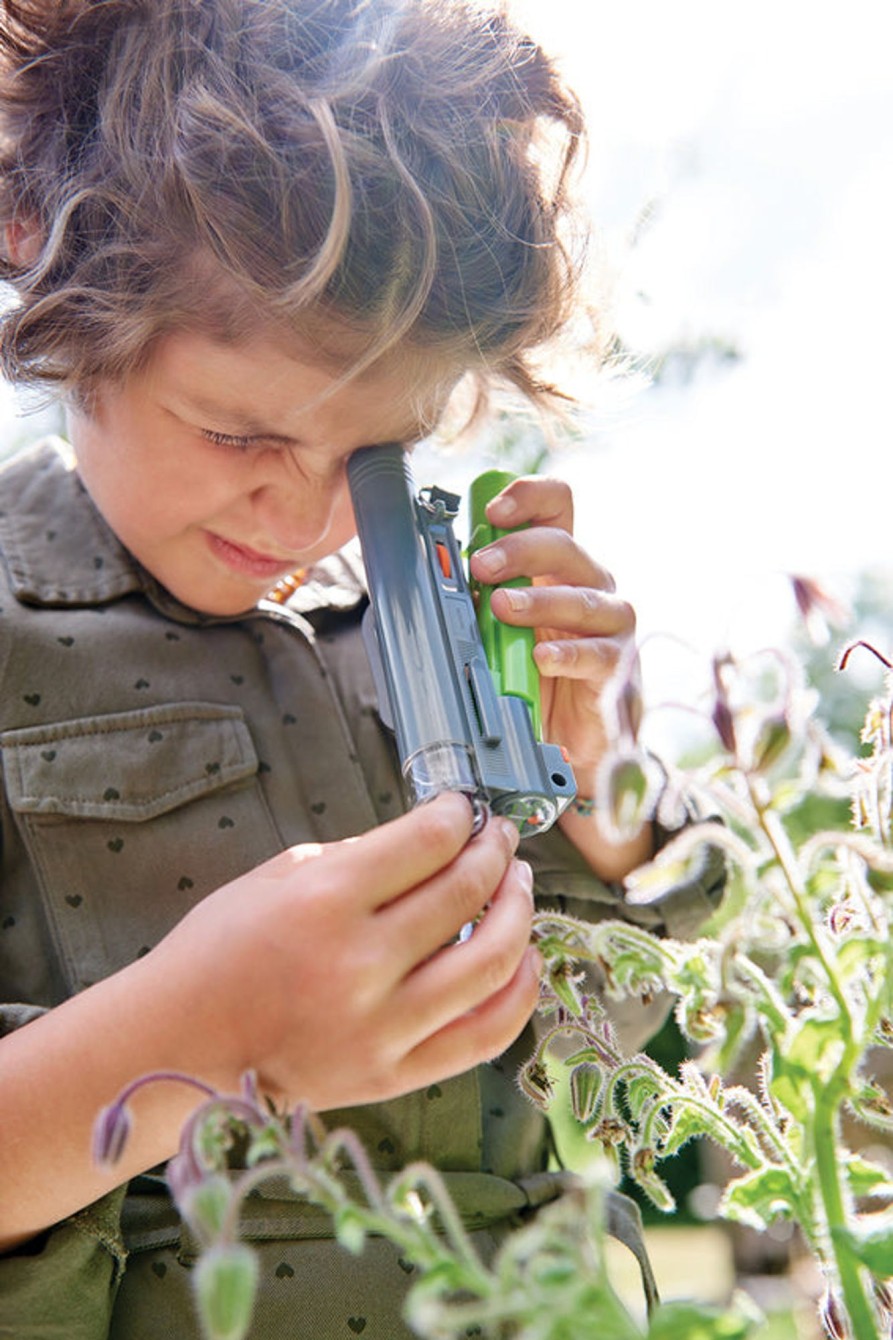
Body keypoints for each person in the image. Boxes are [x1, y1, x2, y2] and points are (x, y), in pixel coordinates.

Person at [0, 2, 723, 1335]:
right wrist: (193, 1048)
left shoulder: (433, 638)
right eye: (234, 432)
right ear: (42, 253)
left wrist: (604, 796)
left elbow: (648, 1052)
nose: (297, 519)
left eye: (373, 458)